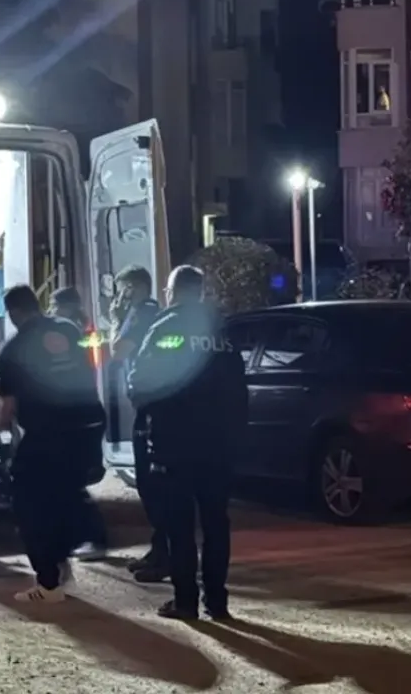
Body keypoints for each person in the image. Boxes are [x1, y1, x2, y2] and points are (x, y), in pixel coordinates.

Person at [128, 265, 247, 620]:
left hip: (174, 444)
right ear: (200, 291)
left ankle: (185, 601)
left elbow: (139, 384)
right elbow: (239, 389)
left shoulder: (166, 327)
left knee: (179, 526)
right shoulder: (221, 333)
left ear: (172, 292)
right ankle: (217, 601)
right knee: (216, 525)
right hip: (219, 446)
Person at [0, 284, 106, 603]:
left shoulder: (13, 350)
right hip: (89, 425)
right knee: (65, 492)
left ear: (14, 313)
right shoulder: (69, 328)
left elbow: (7, 409)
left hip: (49, 433)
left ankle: (49, 583)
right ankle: (65, 562)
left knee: (28, 503)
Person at [107, 265, 167, 582]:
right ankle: (160, 549)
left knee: (151, 484)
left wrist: (115, 319)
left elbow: (118, 350)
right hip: (156, 402)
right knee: (154, 484)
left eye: (122, 289)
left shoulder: (140, 312)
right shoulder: (154, 311)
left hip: (150, 406)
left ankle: (165, 555)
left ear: (133, 288)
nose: (119, 296)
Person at [47, 286, 109, 562]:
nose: (51, 311)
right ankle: (77, 535)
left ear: (63, 306)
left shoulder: (67, 333)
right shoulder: (84, 330)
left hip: (76, 415)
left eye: (53, 306)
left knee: (72, 481)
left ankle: (93, 538)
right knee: (71, 480)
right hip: (87, 411)